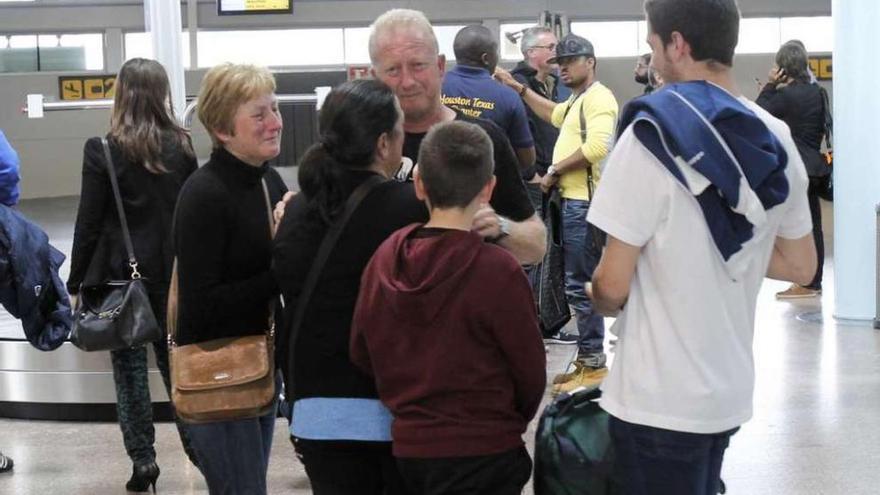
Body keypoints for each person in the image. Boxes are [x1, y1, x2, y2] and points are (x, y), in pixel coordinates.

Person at [586, 1, 816, 493]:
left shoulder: (648, 134)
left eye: (652, 46)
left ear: (678, 44)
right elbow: (802, 262)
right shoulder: (776, 137)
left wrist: (598, 295)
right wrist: (734, 254)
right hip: (727, 390)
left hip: (655, 396)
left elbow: (610, 284)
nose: (650, 60)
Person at [350, 120, 546, 495]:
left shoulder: (386, 257)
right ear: (489, 188)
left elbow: (361, 350)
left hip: (410, 448)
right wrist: (504, 422)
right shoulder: (498, 270)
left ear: (419, 183)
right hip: (488, 448)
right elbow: (530, 372)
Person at [273, 79, 424, 495]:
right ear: (382, 144)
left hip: (314, 411)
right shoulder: (410, 208)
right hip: (387, 410)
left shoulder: (299, 207)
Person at [66, 58, 198, 492]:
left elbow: (88, 224)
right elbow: (192, 213)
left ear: (122, 94)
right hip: (172, 277)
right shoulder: (182, 146)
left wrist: (74, 284)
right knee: (177, 369)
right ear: (162, 93)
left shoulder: (102, 149)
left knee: (130, 374)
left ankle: (144, 461)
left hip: (120, 281)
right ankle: (202, 453)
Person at [172, 63, 288, 495]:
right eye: (259, 115)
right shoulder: (203, 195)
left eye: (274, 109)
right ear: (222, 129)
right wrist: (279, 274)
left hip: (258, 365)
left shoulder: (268, 181)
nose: (275, 122)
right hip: (219, 370)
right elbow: (202, 302)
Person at [369, 8, 546, 266]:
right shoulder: (361, 142)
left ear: (440, 66)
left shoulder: (483, 138)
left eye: (418, 66)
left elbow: (536, 245)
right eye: (393, 70)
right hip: (386, 301)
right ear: (375, 77)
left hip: (467, 301)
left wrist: (500, 227)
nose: (407, 82)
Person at [496, 33, 619, 391]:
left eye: (570, 61)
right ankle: (587, 358)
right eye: (558, 62)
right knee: (573, 283)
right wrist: (518, 89)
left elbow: (598, 146)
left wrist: (553, 171)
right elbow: (553, 115)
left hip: (583, 203)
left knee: (581, 286)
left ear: (590, 61)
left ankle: (594, 361)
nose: (562, 67)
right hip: (571, 202)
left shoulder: (600, 98)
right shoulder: (578, 100)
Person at [757, 41, 829, 299]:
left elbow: (757, 113)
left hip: (795, 168)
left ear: (784, 68)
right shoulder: (817, 92)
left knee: (793, 225)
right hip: (815, 167)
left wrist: (769, 86)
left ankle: (807, 282)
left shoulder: (785, 96)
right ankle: (812, 281)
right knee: (814, 225)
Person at [441, 25, 536, 178]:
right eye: (496, 52)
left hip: (440, 184)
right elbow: (527, 159)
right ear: (486, 58)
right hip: (491, 188)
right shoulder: (508, 96)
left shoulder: (434, 88)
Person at [510, 26, 562, 214]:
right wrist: (531, 174)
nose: (556, 51)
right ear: (531, 52)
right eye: (550, 47)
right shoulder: (516, 84)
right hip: (533, 181)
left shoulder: (549, 84)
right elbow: (515, 133)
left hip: (549, 176)